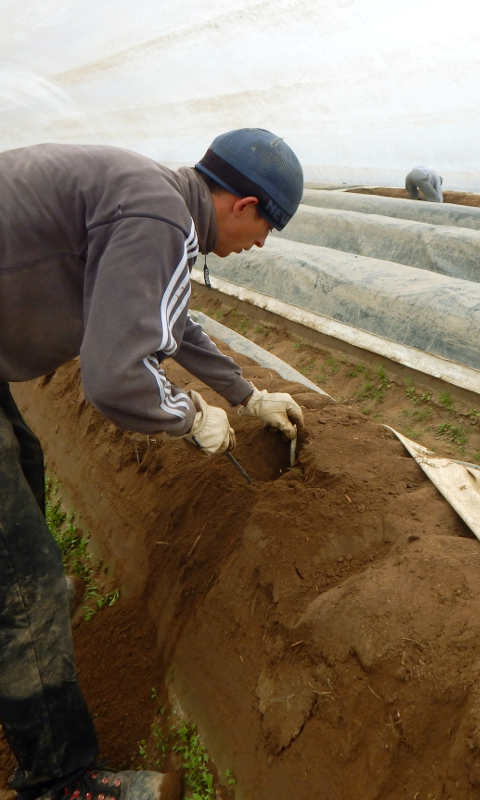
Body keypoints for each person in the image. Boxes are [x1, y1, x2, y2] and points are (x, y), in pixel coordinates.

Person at [0, 129, 305, 800]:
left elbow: (173, 321)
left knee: (21, 459)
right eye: (267, 227)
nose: (261, 245)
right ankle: (57, 779)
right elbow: (112, 378)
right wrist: (190, 418)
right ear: (244, 204)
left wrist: (246, 395)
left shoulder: (152, 197)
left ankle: (22, 626)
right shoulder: (159, 215)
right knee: (24, 583)